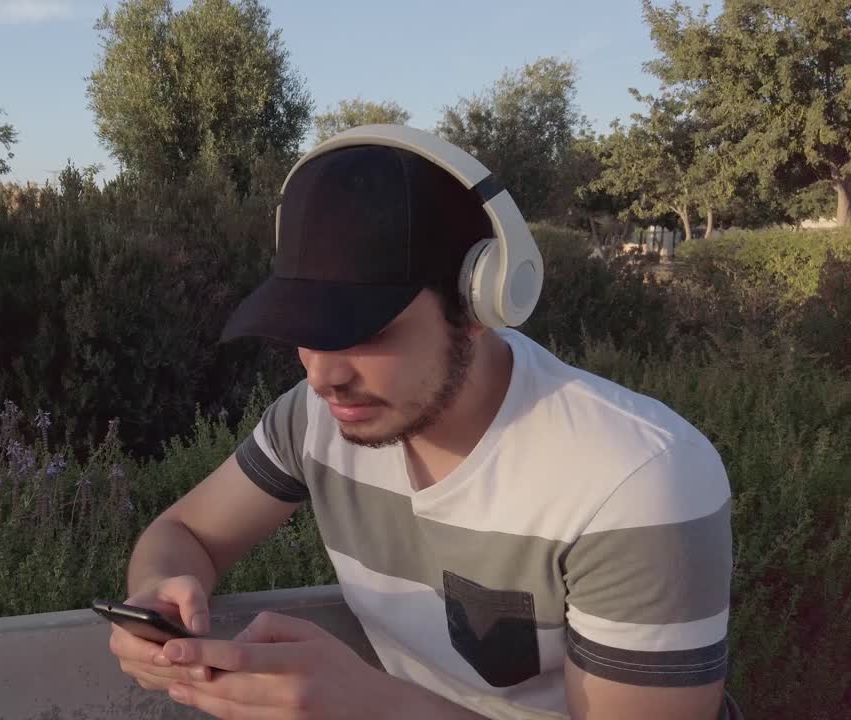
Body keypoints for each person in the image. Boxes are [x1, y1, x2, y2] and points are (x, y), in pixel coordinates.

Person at [106, 124, 736, 720]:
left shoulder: (635, 478)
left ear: (480, 301)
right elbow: (186, 530)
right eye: (303, 333)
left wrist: (372, 706)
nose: (324, 375)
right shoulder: (314, 419)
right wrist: (161, 589)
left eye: (367, 332)